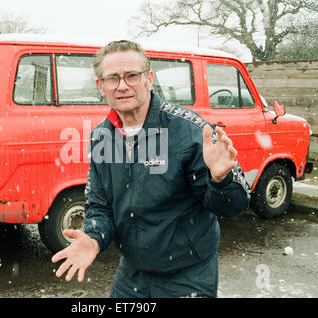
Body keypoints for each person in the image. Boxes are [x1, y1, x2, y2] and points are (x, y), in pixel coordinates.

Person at [51, 40, 250, 298]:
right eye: (112, 78)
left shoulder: (188, 131)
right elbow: (100, 205)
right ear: (101, 86)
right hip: (133, 272)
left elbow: (234, 206)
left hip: (187, 274)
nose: (122, 86)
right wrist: (92, 237)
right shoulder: (102, 136)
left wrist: (221, 180)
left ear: (149, 78)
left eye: (132, 75)